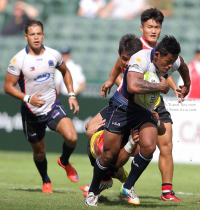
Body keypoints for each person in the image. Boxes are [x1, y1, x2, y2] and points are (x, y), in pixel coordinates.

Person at [85, 36, 190, 206]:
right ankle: (93, 190)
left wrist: (188, 84)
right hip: (123, 106)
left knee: (149, 146)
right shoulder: (140, 58)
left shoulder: (172, 60)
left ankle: (128, 186)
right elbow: (133, 86)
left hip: (143, 110)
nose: (170, 65)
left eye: (172, 61)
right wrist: (161, 87)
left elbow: (183, 65)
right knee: (109, 155)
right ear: (157, 55)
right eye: (168, 61)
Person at [4, 20, 80, 193]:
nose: (36, 37)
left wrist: (71, 94)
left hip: (52, 106)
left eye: (39, 33)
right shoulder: (18, 60)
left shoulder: (53, 54)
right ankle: (46, 180)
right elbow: (7, 87)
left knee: (72, 137)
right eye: (32, 34)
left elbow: (66, 71)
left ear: (43, 35)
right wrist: (28, 98)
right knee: (39, 153)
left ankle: (65, 161)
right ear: (26, 37)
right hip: (31, 113)